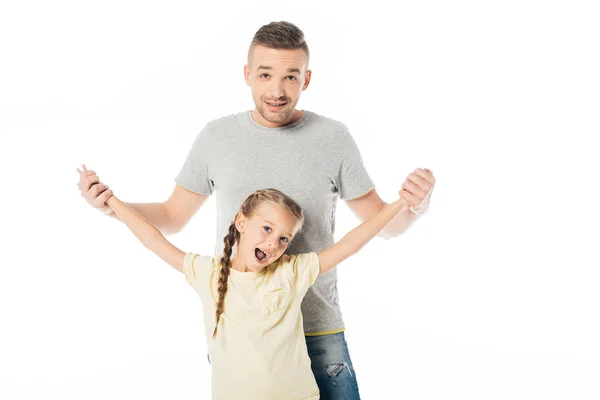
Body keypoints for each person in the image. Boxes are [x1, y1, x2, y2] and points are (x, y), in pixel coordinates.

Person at [76, 21, 436, 399]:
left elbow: (382, 227)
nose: (277, 91)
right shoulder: (216, 138)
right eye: (265, 74)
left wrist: (416, 207)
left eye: (290, 77)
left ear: (306, 79)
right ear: (247, 74)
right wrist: (111, 206)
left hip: (317, 325)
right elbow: (171, 217)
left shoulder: (334, 138)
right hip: (241, 331)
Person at [79, 172, 412, 399]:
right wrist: (112, 201)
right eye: (267, 229)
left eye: (283, 238)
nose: (274, 243)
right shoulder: (207, 274)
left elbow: (350, 243)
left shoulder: (292, 272)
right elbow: (153, 238)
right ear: (241, 222)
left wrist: (399, 204)